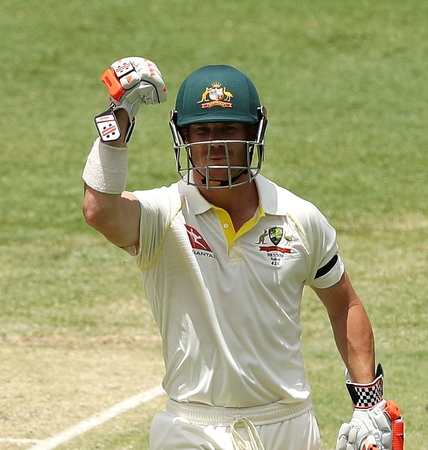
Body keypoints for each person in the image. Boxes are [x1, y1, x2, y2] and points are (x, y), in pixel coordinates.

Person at [82, 58, 404, 449]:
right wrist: (117, 123)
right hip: (191, 426)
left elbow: (345, 305)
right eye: (201, 129)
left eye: (229, 128)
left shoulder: (300, 218)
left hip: (288, 425)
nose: (214, 142)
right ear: (182, 135)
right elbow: (99, 211)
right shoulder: (161, 215)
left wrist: (367, 403)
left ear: (254, 131)